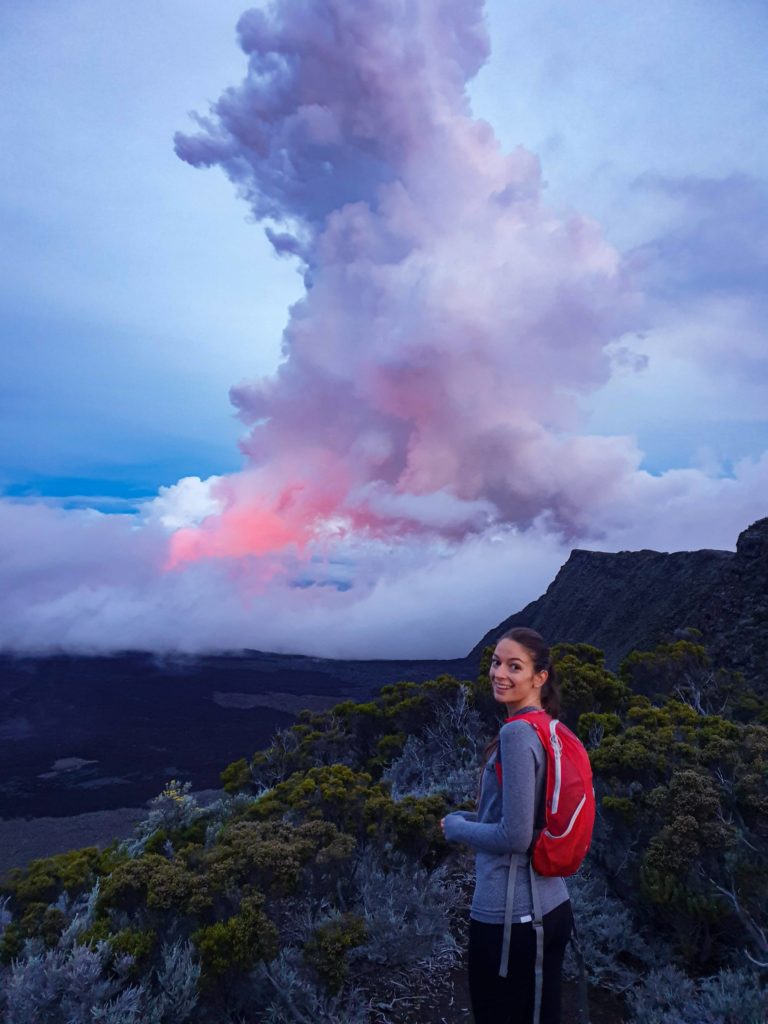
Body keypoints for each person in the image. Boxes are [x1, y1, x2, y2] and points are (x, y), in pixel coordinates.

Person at [441, 627, 573, 1024]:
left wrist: (455, 827)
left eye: (514, 666)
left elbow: (513, 836)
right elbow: (526, 818)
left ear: (539, 677)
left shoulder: (516, 733)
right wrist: (472, 817)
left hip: (510, 914)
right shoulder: (547, 727)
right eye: (497, 662)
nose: (500, 673)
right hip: (551, 904)